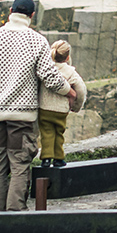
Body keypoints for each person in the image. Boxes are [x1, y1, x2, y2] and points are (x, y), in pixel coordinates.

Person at [0, 0, 80, 210]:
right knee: (19, 164)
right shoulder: (37, 41)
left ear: (10, 12)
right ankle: (16, 215)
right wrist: (69, 92)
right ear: (32, 15)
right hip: (21, 118)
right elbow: (49, 76)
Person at [37, 39, 86, 168]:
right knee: (59, 133)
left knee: (46, 133)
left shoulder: (45, 69)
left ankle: (46, 159)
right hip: (61, 110)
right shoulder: (71, 72)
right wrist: (75, 107)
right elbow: (81, 90)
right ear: (68, 57)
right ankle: (58, 158)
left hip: (44, 108)